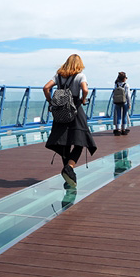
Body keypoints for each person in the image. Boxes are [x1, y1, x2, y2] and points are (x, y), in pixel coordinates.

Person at [43, 53, 96, 187]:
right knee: (80, 140)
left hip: (60, 111)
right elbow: (85, 89)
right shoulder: (80, 75)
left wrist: (51, 101)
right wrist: (83, 100)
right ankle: (69, 168)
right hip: (75, 109)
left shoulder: (58, 76)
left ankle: (68, 173)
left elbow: (46, 88)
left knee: (64, 142)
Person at [111, 72, 130, 136]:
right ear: (124, 79)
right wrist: (129, 104)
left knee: (118, 116)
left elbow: (113, 93)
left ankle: (118, 129)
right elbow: (128, 96)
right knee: (124, 116)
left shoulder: (116, 85)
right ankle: (124, 129)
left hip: (117, 102)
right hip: (124, 102)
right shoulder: (126, 85)